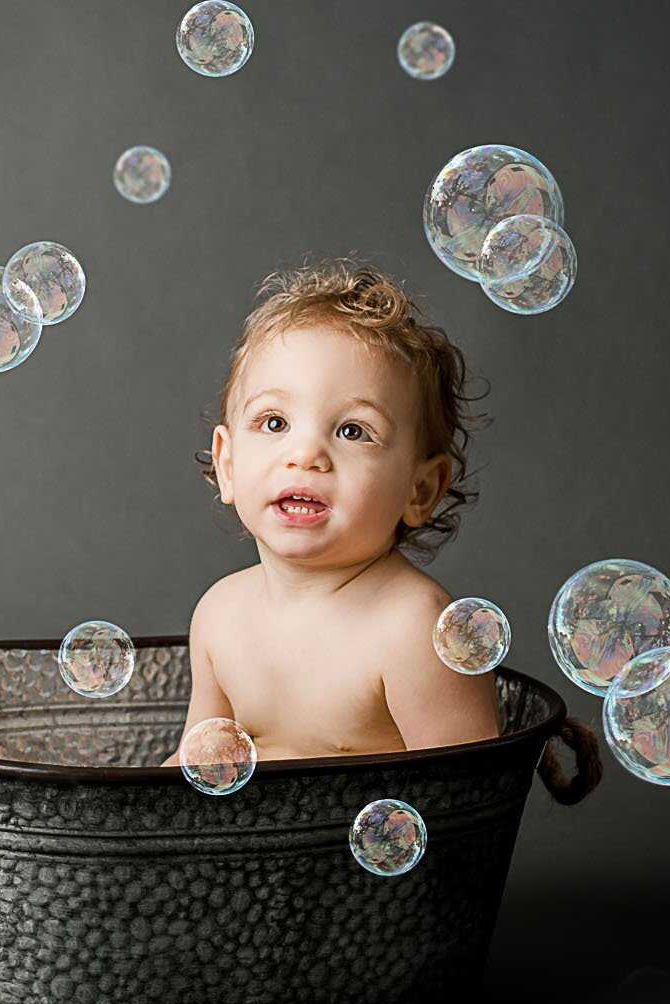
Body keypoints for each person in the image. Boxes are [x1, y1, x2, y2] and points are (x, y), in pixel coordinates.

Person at [163, 260, 499, 764]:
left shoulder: (413, 630)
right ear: (227, 464)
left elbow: (470, 803)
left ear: (420, 489)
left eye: (352, 431)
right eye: (274, 422)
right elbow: (194, 771)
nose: (306, 455)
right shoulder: (219, 615)